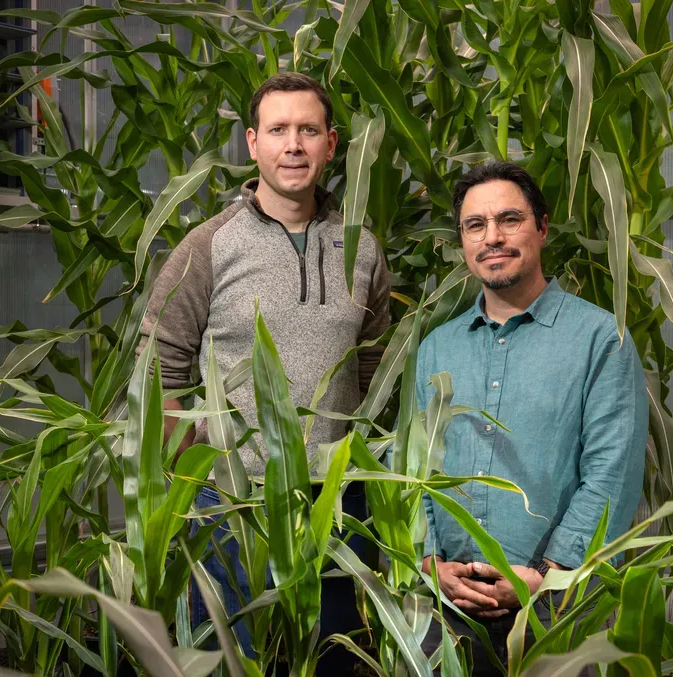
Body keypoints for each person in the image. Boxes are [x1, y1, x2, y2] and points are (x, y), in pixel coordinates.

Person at [135, 72, 391, 668]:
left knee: (333, 658)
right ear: (253, 143)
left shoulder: (364, 248)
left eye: (308, 130)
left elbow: (375, 362)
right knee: (240, 662)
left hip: (337, 505)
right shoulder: (208, 245)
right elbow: (160, 365)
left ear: (331, 142)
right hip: (234, 510)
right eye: (278, 130)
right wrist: (190, 484)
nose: (293, 145)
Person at [417, 162, 647, 675]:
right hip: (447, 609)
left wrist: (545, 574)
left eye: (509, 219)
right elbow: (416, 470)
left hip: (556, 607)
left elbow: (612, 474)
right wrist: (432, 562)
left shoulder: (601, 339)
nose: (492, 237)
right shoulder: (437, 348)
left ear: (542, 227)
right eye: (475, 225)